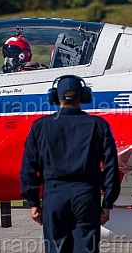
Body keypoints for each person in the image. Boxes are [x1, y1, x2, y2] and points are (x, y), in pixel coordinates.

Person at [20, 75, 120, 253]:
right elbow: (111, 166)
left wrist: (33, 201)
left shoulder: (40, 127)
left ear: (54, 96)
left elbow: (28, 167)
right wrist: (107, 203)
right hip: (86, 197)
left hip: (54, 196)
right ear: (84, 95)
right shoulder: (99, 126)